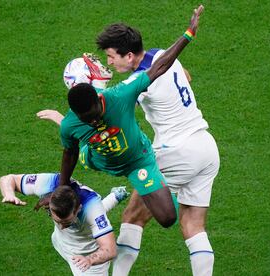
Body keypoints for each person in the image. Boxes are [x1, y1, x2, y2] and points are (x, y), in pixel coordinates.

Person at [91, 7, 219, 276]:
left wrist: (95, 87)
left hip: (177, 151)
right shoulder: (162, 54)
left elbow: (107, 112)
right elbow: (187, 76)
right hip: (206, 147)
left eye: (112, 57)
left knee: (132, 217)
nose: (111, 63)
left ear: (128, 55)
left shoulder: (139, 82)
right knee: (193, 225)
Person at [0, 173, 129, 275]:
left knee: (91, 219)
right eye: (56, 219)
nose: (61, 227)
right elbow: (8, 179)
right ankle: (115, 196)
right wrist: (9, 193)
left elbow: (109, 249)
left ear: (78, 209)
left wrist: (89, 260)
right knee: (86, 222)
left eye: (66, 222)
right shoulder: (49, 183)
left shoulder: (93, 208)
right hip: (59, 242)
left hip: (84, 255)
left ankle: (115, 197)